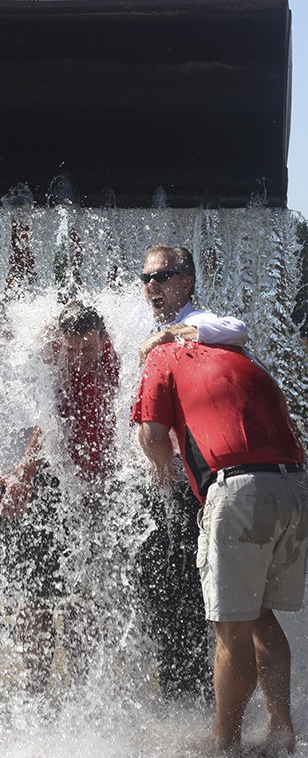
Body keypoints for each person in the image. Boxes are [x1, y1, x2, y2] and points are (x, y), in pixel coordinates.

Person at [132, 338, 307, 755]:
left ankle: (224, 740)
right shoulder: (238, 357)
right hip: (295, 486)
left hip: (240, 489)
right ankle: (282, 729)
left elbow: (152, 433)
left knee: (232, 627)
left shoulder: (162, 353)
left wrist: (163, 473)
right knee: (262, 613)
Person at [136, 245, 249, 699]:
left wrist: (173, 336)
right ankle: (178, 692)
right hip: (161, 482)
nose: (152, 286)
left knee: (189, 595)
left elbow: (238, 328)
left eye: (163, 277)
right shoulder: (144, 330)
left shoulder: (198, 324)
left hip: (192, 484)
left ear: (187, 282)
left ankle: (202, 698)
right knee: (159, 592)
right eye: (146, 278)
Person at [0, 300, 120, 693]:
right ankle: (34, 687)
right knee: (38, 595)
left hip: (99, 489)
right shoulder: (52, 361)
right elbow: (44, 421)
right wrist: (25, 474)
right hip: (54, 485)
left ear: (103, 341)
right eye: (72, 349)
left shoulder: (119, 363)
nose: (80, 358)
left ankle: (83, 688)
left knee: (85, 595)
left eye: (88, 349)